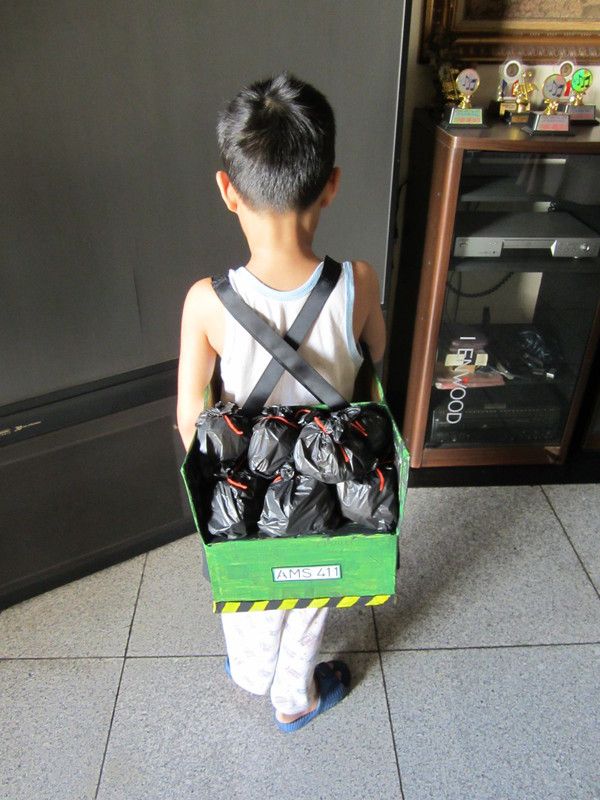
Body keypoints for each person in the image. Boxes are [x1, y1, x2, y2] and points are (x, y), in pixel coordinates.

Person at [176, 72, 386, 731]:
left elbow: (189, 415)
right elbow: (377, 365)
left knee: (254, 587)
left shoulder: (206, 302)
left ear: (226, 191)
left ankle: (249, 672)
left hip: (248, 490)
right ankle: (293, 698)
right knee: (312, 596)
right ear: (332, 184)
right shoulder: (357, 282)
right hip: (330, 494)